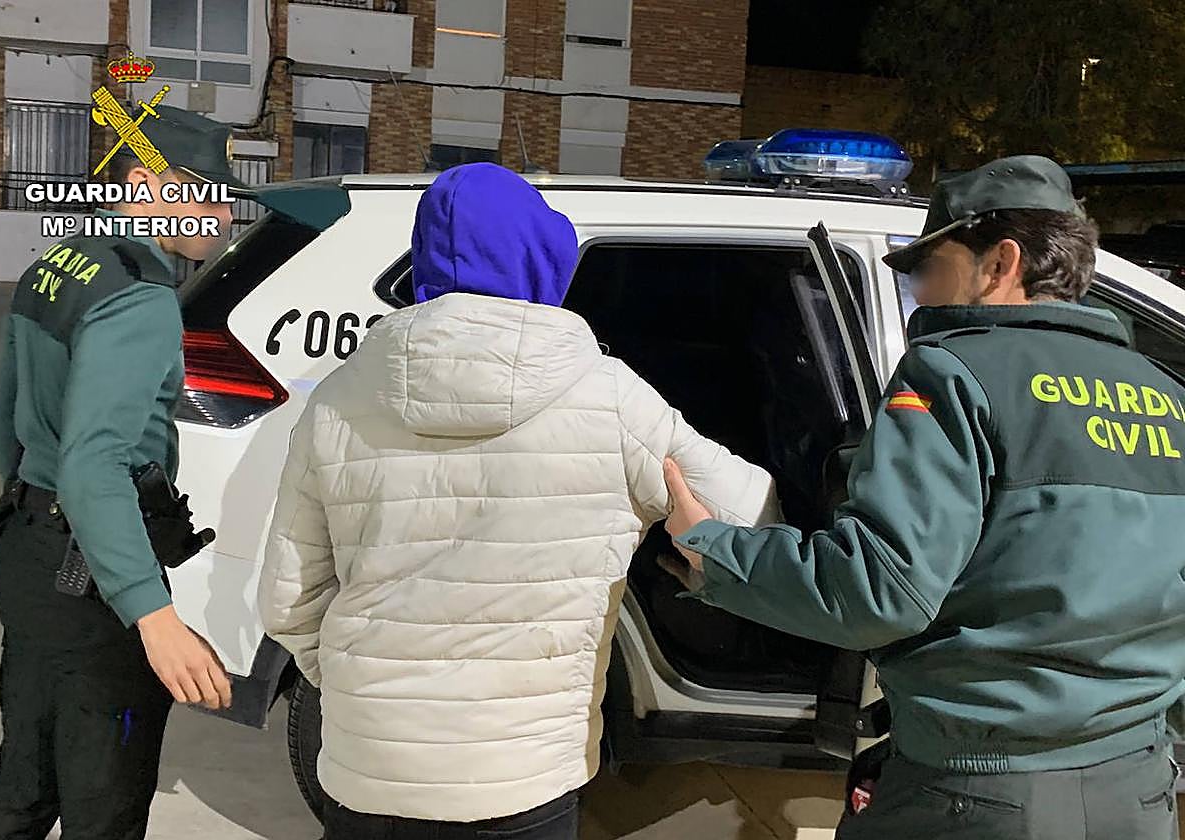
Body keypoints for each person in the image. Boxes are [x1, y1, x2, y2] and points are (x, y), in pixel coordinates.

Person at [661, 155, 1185, 839]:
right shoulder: (1167, 397)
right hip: (1138, 788)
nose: (917, 293)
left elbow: (880, 590)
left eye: (927, 268)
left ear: (1000, 264)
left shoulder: (953, 373)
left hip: (977, 791)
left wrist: (713, 552)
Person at [257, 162, 779, 840]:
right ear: (541, 257)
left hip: (368, 771)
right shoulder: (612, 399)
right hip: (524, 777)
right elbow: (749, 519)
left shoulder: (337, 398)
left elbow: (286, 599)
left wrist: (367, 690)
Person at [0, 106, 241, 840]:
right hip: (90, 584)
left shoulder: (60, 264)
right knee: (106, 807)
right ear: (143, 185)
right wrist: (152, 617)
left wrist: (35, 515)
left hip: (34, 557)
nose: (221, 211)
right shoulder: (141, 298)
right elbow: (95, 463)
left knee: (25, 783)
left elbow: (6, 421)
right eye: (203, 192)